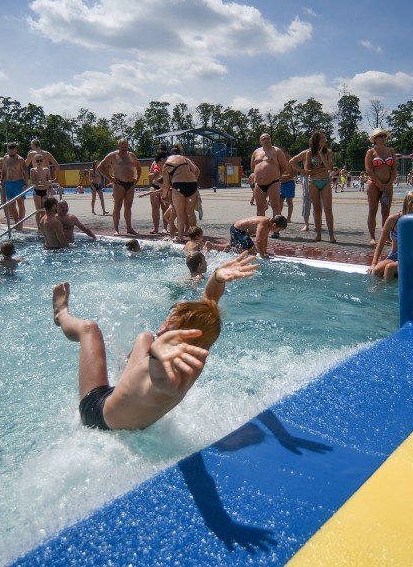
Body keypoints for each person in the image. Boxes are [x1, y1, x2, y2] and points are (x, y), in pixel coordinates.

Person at [52, 251, 258, 430]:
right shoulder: (200, 344)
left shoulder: (172, 372)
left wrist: (158, 354)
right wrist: (217, 278)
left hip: (97, 414)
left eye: (169, 329)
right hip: (126, 407)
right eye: (166, 321)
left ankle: (61, 314)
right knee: (145, 337)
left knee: (89, 329)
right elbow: (210, 299)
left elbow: (162, 380)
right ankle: (125, 384)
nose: (161, 328)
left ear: (186, 337)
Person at [368, 191, 413, 281]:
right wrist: (373, 263)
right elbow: (381, 242)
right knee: (376, 270)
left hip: (410, 257)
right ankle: (375, 292)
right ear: (410, 205)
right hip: (394, 256)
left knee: (389, 269)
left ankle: (388, 294)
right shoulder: (393, 219)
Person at [97, 138, 142, 235]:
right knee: (117, 206)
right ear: (119, 146)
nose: (124, 148)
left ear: (128, 145)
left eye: (126, 146)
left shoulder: (131, 155)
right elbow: (100, 167)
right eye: (122, 146)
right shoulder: (113, 155)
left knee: (128, 206)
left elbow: (138, 166)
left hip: (130, 184)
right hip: (119, 184)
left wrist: (137, 178)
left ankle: (129, 228)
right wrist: (111, 179)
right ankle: (116, 229)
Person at [299, 131, 336, 243]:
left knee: (328, 209)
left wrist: (320, 154)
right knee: (317, 209)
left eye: (325, 138)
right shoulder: (309, 153)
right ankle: (318, 235)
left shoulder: (328, 152)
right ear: (316, 140)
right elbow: (307, 170)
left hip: (325, 182)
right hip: (313, 182)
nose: (324, 140)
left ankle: (331, 235)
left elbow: (329, 166)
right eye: (321, 138)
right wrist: (322, 169)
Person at [364, 128, 398, 245]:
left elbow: (394, 169)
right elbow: (369, 169)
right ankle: (372, 237)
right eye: (380, 136)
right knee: (372, 210)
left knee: (386, 212)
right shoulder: (371, 152)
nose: (383, 138)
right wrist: (379, 182)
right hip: (373, 184)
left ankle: (386, 236)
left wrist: (389, 183)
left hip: (388, 184)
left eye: (384, 136)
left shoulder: (391, 151)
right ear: (375, 139)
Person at [163, 144, 201, 243]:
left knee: (180, 213)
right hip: (192, 184)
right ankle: (194, 236)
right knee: (190, 212)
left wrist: (164, 196)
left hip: (179, 185)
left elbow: (166, 184)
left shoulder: (167, 163)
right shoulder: (185, 159)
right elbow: (197, 171)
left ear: (170, 155)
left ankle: (180, 236)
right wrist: (193, 181)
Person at [250, 133, 290, 218]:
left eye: (268, 138)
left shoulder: (276, 150)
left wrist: (276, 176)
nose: (266, 140)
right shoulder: (256, 152)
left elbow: (284, 166)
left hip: (273, 182)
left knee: (275, 206)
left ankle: (276, 230)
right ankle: (261, 228)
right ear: (260, 142)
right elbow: (253, 167)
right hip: (259, 184)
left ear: (271, 140)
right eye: (264, 139)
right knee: (260, 207)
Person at [0, 142, 30, 230]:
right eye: (10, 149)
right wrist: (2, 180)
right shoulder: (5, 158)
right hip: (9, 183)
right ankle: (16, 222)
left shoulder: (20, 159)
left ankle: (20, 223)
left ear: (16, 149)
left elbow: (25, 172)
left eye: (13, 149)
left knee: (20, 203)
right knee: (11, 205)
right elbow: (4, 170)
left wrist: (25, 183)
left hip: (18, 183)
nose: (12, 151)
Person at [146, 145, 169, 234]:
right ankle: (155, 228)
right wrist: (154, 174)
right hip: (154, 186)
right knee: (155, 208)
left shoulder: (168, 163)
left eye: (163, 151)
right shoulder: (154, 162)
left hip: (164, 187)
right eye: (159, 150)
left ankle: (165, 228)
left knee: (165, 207)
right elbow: (149, 176)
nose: (161, 152)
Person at [29, 154, 53, 229]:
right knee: (38, 210)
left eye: (40, 160)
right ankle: (39, 227)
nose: (39, 162)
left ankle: (43, 225)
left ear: (43, 161)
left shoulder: (46, 169)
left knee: (44, 210)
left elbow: (49, 179)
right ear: (35, 161)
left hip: (44, 190)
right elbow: (33, 181)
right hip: (37, 191)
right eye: (37, 160)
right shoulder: (33, 170)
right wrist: (42, 182)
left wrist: (48, 183)